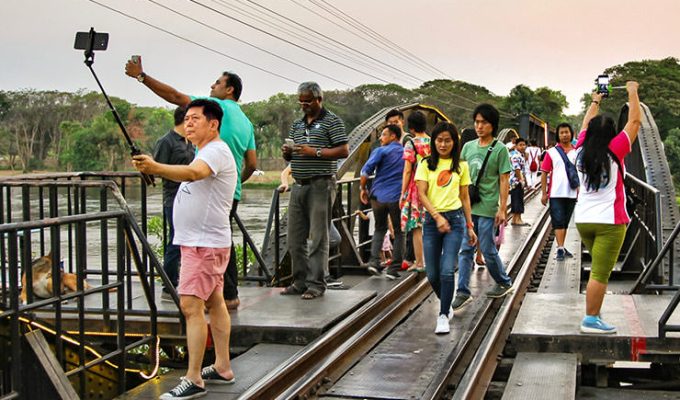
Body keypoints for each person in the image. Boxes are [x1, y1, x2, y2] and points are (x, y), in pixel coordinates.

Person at [125, 58, 257, 311]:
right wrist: (234, 182)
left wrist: (142, 77)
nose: (212, 86)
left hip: (209, 188)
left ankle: (214, 296)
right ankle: (226, 296)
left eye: (217, 83)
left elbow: (175, 96)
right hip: (228, 191)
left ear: (229, 90)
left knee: (205, 245)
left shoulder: (218, 108)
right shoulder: (246, 121)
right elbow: (251, 163)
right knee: (222, 242)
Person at [132, 99, 237, 399]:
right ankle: (222, 366)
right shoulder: (205, 151)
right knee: (215, 301)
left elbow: (194, 175)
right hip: (205, 242)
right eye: (186, 119)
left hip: (202, 245)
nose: (188, 123)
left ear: (213, 124)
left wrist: (155, 166)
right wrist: (155, 168)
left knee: (191, 307)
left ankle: (193, 378)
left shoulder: (214, 151)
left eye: (195, 119)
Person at [575, 82, 641, 334]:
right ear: (612, 133)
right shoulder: (616, 148)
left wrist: (595, 101)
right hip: (610, 223)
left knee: (598, 270)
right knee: (601, 273)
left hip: (584, 221)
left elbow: (583, 126)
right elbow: (634, 122)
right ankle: (591, 320)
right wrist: (633, 92)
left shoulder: (580, 150)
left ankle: (594, 310)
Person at [281, 82, 348, 299]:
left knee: (319, 236)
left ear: (319, 99)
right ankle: (299, 281)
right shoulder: (297, 125)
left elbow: (344, 150)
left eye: (307, 101)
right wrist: (288, 153)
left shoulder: (332, 121)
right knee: (295, 237)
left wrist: (315, 152)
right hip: (298, 184)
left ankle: (316, 284)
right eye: (301, 101)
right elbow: (291, 157)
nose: (304, 105)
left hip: (321, 184)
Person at [416, 122, 477, 334]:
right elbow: (421, 194)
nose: (443, 144)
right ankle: (447, 301)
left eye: (448, 140)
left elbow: (465, 197)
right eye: (439, 140)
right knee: (432, 273)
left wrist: (470, 226)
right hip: (433, 222)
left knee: (447, 269)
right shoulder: (425, 164)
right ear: (434, 141)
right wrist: (436, 216)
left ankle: (443, 315)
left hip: (455, 220)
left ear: (454, 142)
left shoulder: (461, 166)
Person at [453, 104, 514, 311]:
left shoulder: (500, 149)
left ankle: (504, 281)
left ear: (492, 125)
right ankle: (462, 292)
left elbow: (504, 180)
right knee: (466, 249)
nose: (479, 126)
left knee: (487, 249)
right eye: (477, 122)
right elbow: (460, 176)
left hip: (488, 207)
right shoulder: (468, 147)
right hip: (468, 208)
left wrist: (502, 208)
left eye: (484, 122)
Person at [153, 106, 195, 302]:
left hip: (189, 196)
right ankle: (168, 285)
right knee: (175, 241)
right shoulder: (166, 142)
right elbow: (157, 169)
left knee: (186, 241)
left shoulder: (189, 141)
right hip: (173, 197)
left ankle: (183, 280)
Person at [360, 124, 405, 280]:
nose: (380, 138)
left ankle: (374, 262)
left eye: (384, 135)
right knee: (399, 232)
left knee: (380, 228)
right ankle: (393, 269)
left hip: (378, 196)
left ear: (393, 136)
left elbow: (365, 171)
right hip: (396, 197)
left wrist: (363, 189)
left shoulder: (380, 151)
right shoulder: (406, 152)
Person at [541, 123, 579, 261]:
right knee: (558, 220)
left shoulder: (577, 152)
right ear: (558, 135)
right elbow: (544, 173)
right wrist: (544, 193)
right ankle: (560, 248)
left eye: (566, 132)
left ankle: (561, 246)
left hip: (572, 192)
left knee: (565, 221)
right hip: (556, 193)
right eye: (562, 132)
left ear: (571, 133)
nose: (564, 135)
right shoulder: (551, 153)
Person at [400, 111, 430, 273]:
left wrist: (402, 193)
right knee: (431, 225)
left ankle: (419, 262)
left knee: (417, 227)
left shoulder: (411, 143)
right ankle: (432, 260)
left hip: (416, 190)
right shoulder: (434, 142)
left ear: (411, 127)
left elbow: (407, 171)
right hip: (433, 189)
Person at [509, 137, 528, 226]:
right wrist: (521, 180)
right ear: (516, 146)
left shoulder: (520, 155)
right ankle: (517, 219)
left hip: (517, 181)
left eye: (524, 145)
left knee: (517, 199)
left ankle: (516, 219)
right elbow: (517, 169)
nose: (523, 147)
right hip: (516, 182)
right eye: (520, 145)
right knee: (517, 200)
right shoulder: (516, 156)